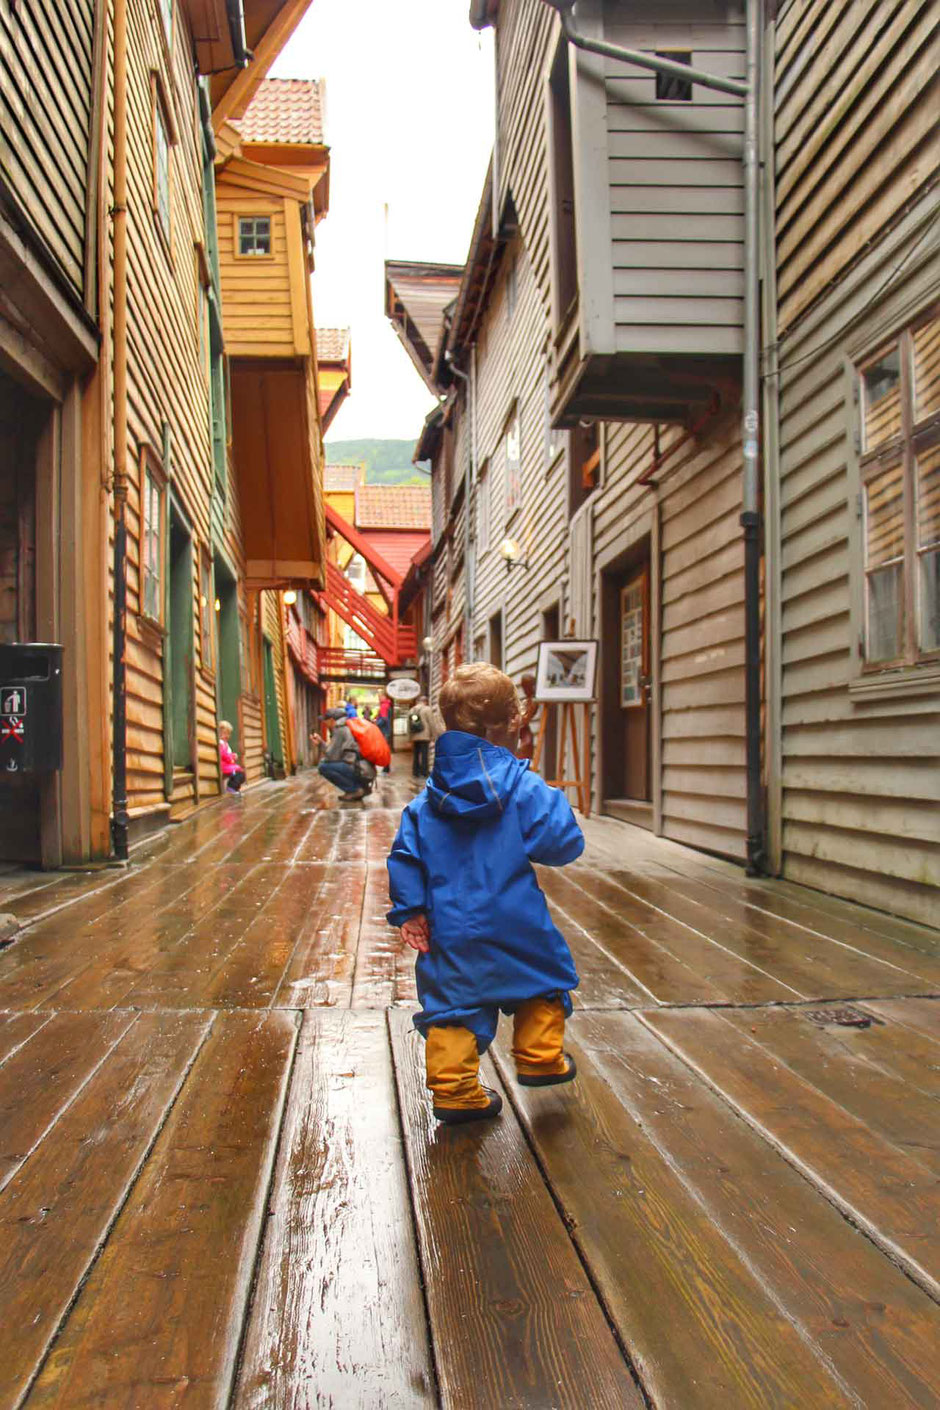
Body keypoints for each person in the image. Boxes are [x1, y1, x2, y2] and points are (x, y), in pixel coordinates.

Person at [387, 662, 584, 1125]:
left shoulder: (426, 801)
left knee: (453, 1005)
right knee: (542, 979)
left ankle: (456, 1092)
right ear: (514, 722)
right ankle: (539, 1057)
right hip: (517, 919)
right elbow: (561, 844)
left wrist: (410, 910)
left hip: (449, 925)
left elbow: (405, 855)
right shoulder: (523, 788)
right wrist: (553, 804)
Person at [318, 707, 375, 803]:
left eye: (325, 721)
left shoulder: (340, 729)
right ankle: (362, 788)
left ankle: (354, 790)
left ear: (332, 720)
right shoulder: (349, 725)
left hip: (356, 767)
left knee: (323, 766)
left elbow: (332, 756)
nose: (324, 723)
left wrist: (320, 744)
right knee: (333, 764)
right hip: (364, 768)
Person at [408, 695, 440, 779]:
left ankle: (415, 772)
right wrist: (434, 736)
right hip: (424, 736)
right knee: (424, 755)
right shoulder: (427, 709)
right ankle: (424, 772)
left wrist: (409, 738)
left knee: (416, 755)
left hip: (415, 736)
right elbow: (431, 723)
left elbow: (408, 725)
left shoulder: (411, 710)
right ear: (425, 701)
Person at [218, 721, 245, 793]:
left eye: (228, 734)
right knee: (240, 774)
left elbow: (227, 754)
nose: (227, 736)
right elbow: (223, 754)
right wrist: (232, 757)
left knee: (240, 774)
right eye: (225, 733)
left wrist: (232, 755)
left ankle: (235, 788)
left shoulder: (225, 743)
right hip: (224, 766)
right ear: (219, 733)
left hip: (227, 765)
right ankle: (231, 788)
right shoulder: (220, 743)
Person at [517, 674, 537, 762]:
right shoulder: (525, 701)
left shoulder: (533, 702)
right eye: (523, 687)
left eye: (526, 687)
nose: (524, 690)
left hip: (524, 733)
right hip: (520, 733)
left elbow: (525, 719)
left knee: (524, 755)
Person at [376, 689, 393, 773]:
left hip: (384, 731)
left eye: (380, 696)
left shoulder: (384, 706)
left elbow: (384, 719)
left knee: (384, 750)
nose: (379, 698)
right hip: (387, 730)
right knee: (386, 750)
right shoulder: (388, 705)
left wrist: (376, 723)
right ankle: (387, 767)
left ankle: (386, 768)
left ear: (384, 697)